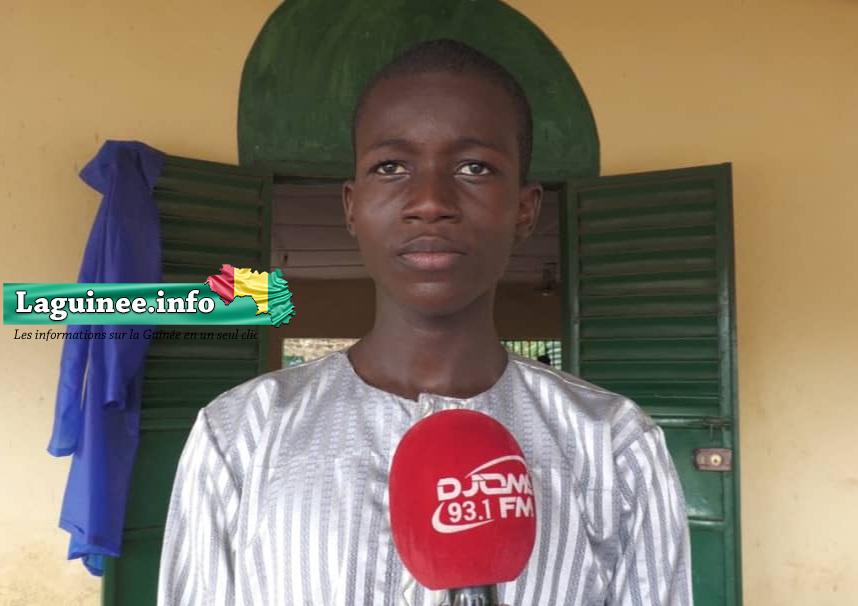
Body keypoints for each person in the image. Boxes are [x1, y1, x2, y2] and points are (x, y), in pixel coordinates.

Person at [157, 39, 693, 605]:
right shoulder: (238, 435)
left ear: (524, 209)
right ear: (352, 206)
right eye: (390, 167)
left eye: (474, 167)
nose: (431, 202)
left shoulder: (614, 444)